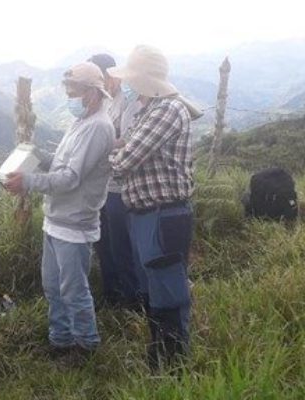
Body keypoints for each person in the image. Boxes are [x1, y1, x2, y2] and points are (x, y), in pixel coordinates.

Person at [4, 62, 114, 359]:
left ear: (92, 93)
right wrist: (38, 155)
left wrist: (28, 181)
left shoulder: (98, 128)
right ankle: (60, 339)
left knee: (74, 290)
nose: (69, 98)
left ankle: (85, 345)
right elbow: (62, 163)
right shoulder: (81, 123)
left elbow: (70, 178)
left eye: (73, 91)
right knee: (53, 286)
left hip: (74, 225)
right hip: (55, 221)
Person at [108, 45, 195, 370]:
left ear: (144, 80)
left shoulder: (165, 111)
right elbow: (125, 146)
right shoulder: (150, 110)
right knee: (153, 287)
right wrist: (120, 149)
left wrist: (115, 153)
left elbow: (124, 160)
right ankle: (160, 352)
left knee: (167, 290)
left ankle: (172, 365)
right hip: (148, 215)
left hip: (163, 214)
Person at [87, 53, 146, 311]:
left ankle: (132, 300)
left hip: (120, 188)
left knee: (122, 245)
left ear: (111, 76)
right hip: (102, 186)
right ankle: (112, 295)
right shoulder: (106, 104)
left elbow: (129, 144)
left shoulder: (129, 104)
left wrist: (97, 151)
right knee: (104, 244)